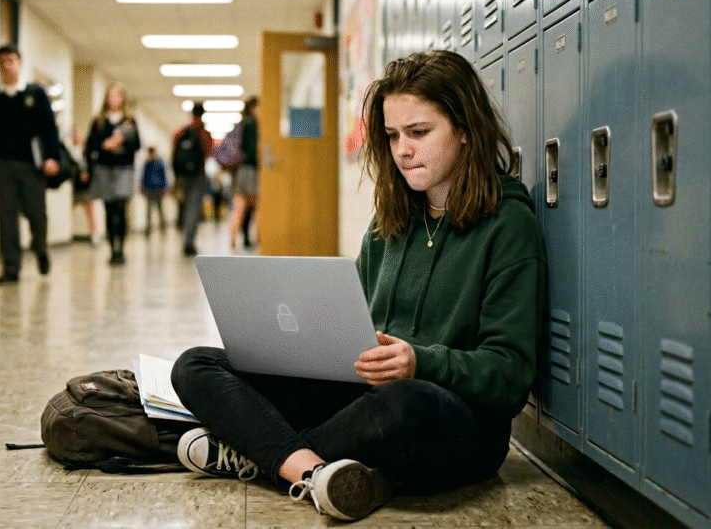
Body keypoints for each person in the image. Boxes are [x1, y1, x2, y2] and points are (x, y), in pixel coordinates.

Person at [170, 50, 547, 521]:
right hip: (365, 400)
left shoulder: (509, 224)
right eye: (392, 135)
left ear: (466, 130)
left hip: (449, 418)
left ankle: (257, 452)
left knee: (403, 405)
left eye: (419, 132)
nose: (402, 149)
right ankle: (314, 471)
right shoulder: (389, 220)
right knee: (197, 365)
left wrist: (418, 361)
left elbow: (510, 375)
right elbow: (356, 328)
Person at [0, 45, 60, 284]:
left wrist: (53, 158)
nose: (7, 66)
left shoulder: (36, 95)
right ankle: (11, 266)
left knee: (36, 214)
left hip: (32, 166)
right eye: (2, 62)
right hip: (3, 165)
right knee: (6, 217)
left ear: (19, 64)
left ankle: (40, 248)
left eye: (11, 61)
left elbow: (49, 128)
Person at [85, 83, 140, 264]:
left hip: (123, 169)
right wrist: (105, 145)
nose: (114, 99)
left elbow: (136, 146)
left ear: (122, 98)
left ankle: (121, 249)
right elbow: (91, 145)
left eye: (117, 95)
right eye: (111, 95)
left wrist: (122, 142)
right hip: (104, 169)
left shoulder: (130, 122)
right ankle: (112, 250)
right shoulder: (99, 121)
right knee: (109, 210)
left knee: (121, 208)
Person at [171, 103, 212, 256]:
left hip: (181, 176)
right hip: (197, 175)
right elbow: (208, 152)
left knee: (183, 207)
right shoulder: (204, 133)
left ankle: (185, 238)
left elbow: (174, 151)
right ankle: (189, 241)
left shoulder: (180, 131)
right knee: (193, 208)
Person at [227, 96, 260, 249]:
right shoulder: (253, 123)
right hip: (251, 170)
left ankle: (233, 239)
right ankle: (261, 239)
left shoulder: (241, 123)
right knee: (258, 206)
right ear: (253, 107)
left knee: (239, 207)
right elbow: (253, 150)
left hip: (240, 171)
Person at [140, 146, 168, 235]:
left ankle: (163, 226)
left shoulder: (159, 162)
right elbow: (144, 176)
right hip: (149, 188)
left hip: (158, 188)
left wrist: (164, 187)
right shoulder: (147, 163)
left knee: (160, 209)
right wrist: (142, 187)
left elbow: (163, 175)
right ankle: (148, 228)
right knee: (148, 210)